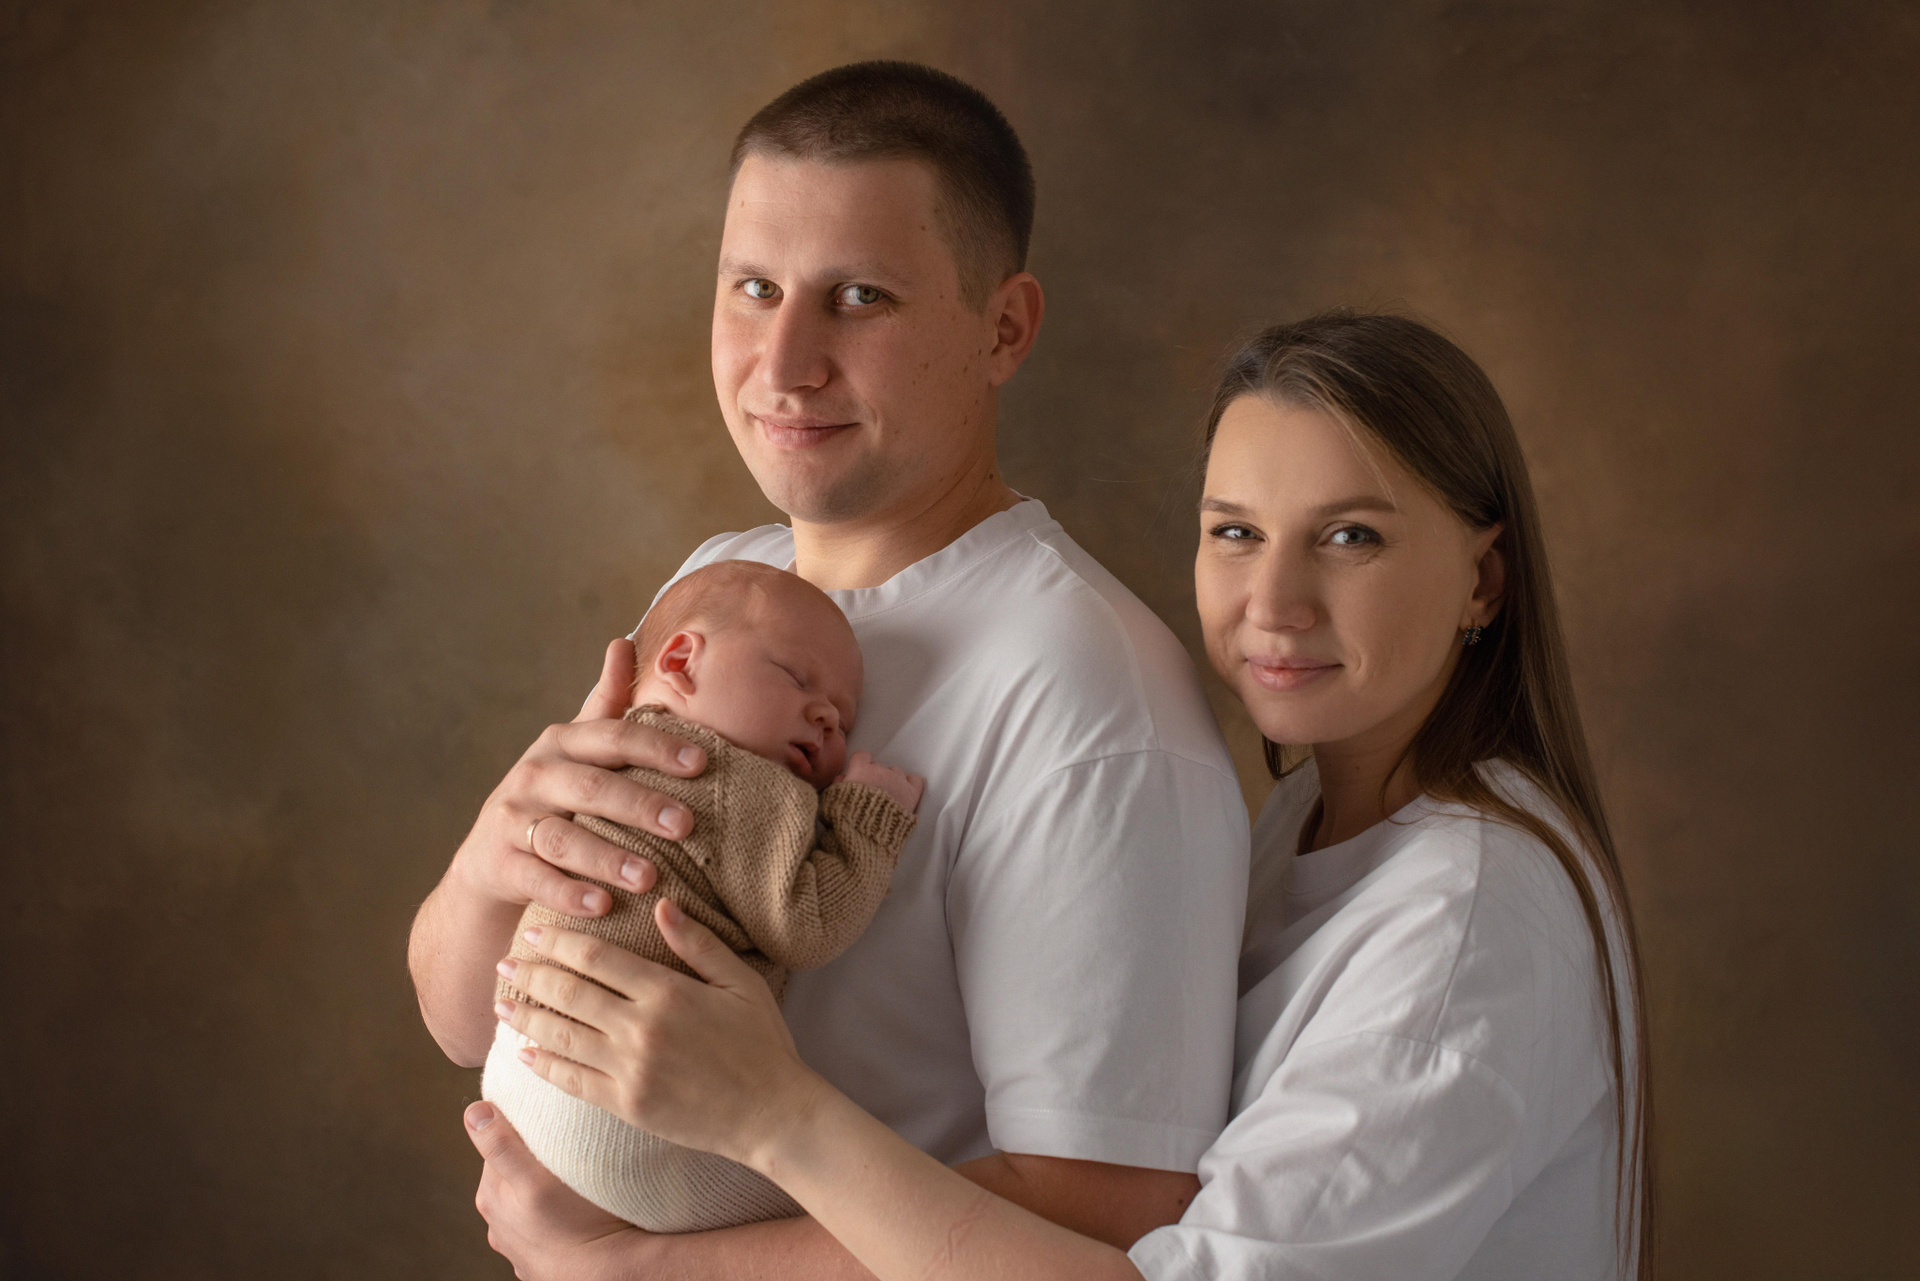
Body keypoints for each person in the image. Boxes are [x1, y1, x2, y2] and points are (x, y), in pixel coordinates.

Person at [481, 311, 1655, 1280]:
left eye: (1350, 537)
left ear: (1482, 580)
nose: (1274, 602)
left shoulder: (1472, 919)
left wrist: (756, 1136)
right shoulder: (1307, 825)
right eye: (1235, 533)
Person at [407, 61, 1250, 1277]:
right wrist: (493, 860)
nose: (785, 362)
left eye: (860, 298)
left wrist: (636, 1273)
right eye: (754, 288)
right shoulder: (724, 585)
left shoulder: (1086, 692)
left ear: (1005, 329)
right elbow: (458, 1020)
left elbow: (1107, 1206)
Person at [483, 559, 923, 1234]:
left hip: (519, 1054)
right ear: (682, 661)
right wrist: (867, 821)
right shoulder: (740, 782)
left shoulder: (601, 751)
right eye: (797, 678)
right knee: (860, 1223)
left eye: (842, 720)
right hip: (618, 1110)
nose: (826, 718)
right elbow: (808, 925)